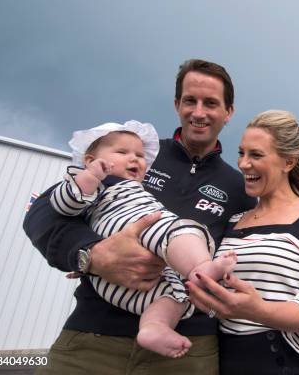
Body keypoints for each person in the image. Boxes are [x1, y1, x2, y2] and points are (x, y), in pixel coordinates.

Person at [24, 59, 256, 374]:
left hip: (185, 347)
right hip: (93, 339)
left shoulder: (240, 187)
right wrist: (91, 254)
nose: (198, 112)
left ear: (228, 112)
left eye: (211, 103)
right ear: (177, 104)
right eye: (190, 101)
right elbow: (42, 214)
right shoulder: (127, 155)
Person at [187, 110, 299, 375]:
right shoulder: (233, 220)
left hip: (284, 362)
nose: (244, 164)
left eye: (256, 155)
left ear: (288, 162)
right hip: (224, 360)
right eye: (241, 153)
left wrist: (259, 310)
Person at [49, 120, 237, 358]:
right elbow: (58, 206)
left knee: (176, 297)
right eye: (122, 152)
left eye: (139, 155)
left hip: (138, 286)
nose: (135, 158)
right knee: (181, 230)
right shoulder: (89, 183)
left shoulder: (234, 183)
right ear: (88, 159)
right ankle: (202, 269)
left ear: (228, 112)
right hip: (127, 234)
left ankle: (154, 327)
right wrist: (90, 176)